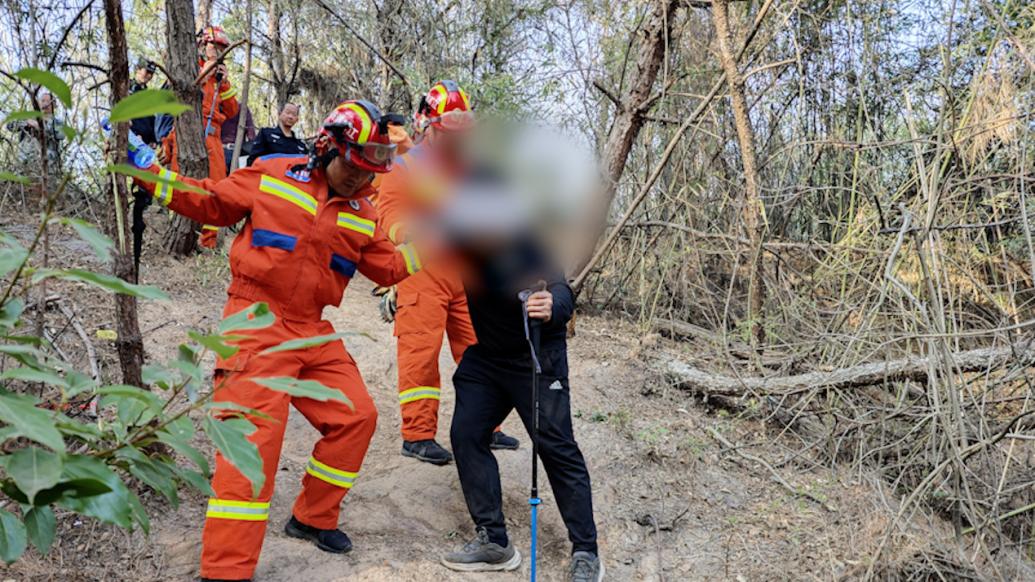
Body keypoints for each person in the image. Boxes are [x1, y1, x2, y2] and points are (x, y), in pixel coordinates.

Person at [135, 99, 417, 582]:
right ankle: (225, 572)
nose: (358, 179)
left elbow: (389, 266)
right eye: (353, 166)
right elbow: (207, 201)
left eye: (369, 173)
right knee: (252, 448)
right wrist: (146, 169)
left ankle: (312, 517)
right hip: (254, 319)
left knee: (358, 417)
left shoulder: (363, 210)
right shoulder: (273, 173)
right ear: (329, 147)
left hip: (311, 327)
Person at [438, 176, 603, 581]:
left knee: (556, 448)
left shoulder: (525, 243)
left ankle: (586, 551)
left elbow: (562, 290)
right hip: (488, 359)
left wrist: (552, 305)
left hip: (536, 357)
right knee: (466, 433)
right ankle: (494, 541)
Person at [373, 80, 519, 466]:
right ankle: (418, 434)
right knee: (421, 351)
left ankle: (487, 425)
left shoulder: (469, 169)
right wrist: (413, 233)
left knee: (480, 351)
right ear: (428, 126)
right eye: (447, 132)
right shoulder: (405, 165)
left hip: (466, 274)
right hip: (422, 271)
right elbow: (386, 214)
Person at [160, 24, 240, 249]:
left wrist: (223, 82)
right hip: (189, 131)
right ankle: (178, 230)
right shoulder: (192, 67)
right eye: (214, 45)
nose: (217, 49)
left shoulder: (221, 77)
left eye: (221, 46)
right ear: (204, 45)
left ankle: (208, 243)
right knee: (181, 180)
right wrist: (209, 70)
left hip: (213, 136)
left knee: (215, 187)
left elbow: (232, 111)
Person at [6, 91, 65, 178]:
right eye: (43, 100)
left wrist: (41, 127)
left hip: (47, 166)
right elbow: (10, 126)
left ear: (54, 105)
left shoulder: (57, 122)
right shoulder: (29, 117)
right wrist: (27, 123)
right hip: (24, 163)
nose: (45, 104)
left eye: (49, 101)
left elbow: (61, 135)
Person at [221, 106, 256, 174]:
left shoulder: (216, 107)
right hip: (236, 152)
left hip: (221, 151)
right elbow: (251, 135)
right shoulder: (242, 108)